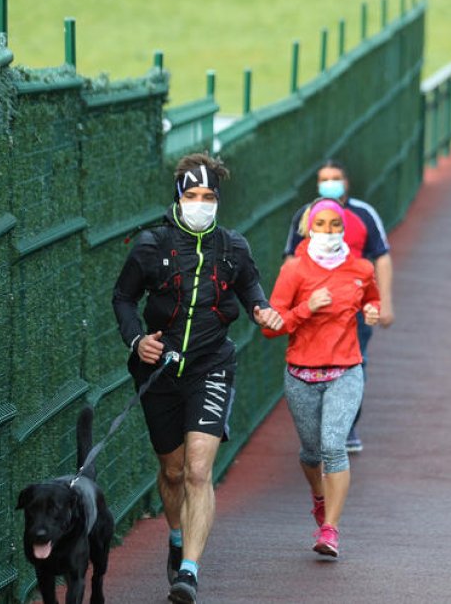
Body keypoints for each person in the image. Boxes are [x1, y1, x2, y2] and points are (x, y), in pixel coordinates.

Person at [112, 153, 284, 604]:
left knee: (197, 470)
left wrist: (263, 310)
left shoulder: (233, 247)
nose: (201, 203)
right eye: (193, 195)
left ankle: (188, 571)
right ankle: (176, 537)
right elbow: (123, 298)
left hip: (211, 367)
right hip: (159, 371)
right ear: (178, 198)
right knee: (172, 471)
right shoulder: (151, 245)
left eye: (209, 196)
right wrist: (137, 341)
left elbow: (252, 291)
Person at [263, 198, 380, 558]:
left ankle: (330, 529)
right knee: (312, 453)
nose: (329, 231)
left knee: (333, 446)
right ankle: (319, 497)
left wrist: (372, 310)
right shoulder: (294, 270)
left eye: (335, 225)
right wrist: (307, 307)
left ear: (344, 228)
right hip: (301, 374)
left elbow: (371, 298)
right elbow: (271, 327)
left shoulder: (361, 268)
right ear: (308, 228)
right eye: (321, 224)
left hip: (346, 371)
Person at [283, 161, 394, 453]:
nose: (329, 183)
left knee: (355, 362)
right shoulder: (304, 215)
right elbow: (290, 259)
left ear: (346, 182)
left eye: (335, 178)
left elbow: (381, 257)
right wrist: (293, 306)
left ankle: (345, 424)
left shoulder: (364, 214)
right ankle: (321, 425)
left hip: (352, 307)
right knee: (313, 362)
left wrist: (384, 303)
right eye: (324, 179)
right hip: (314, 308)